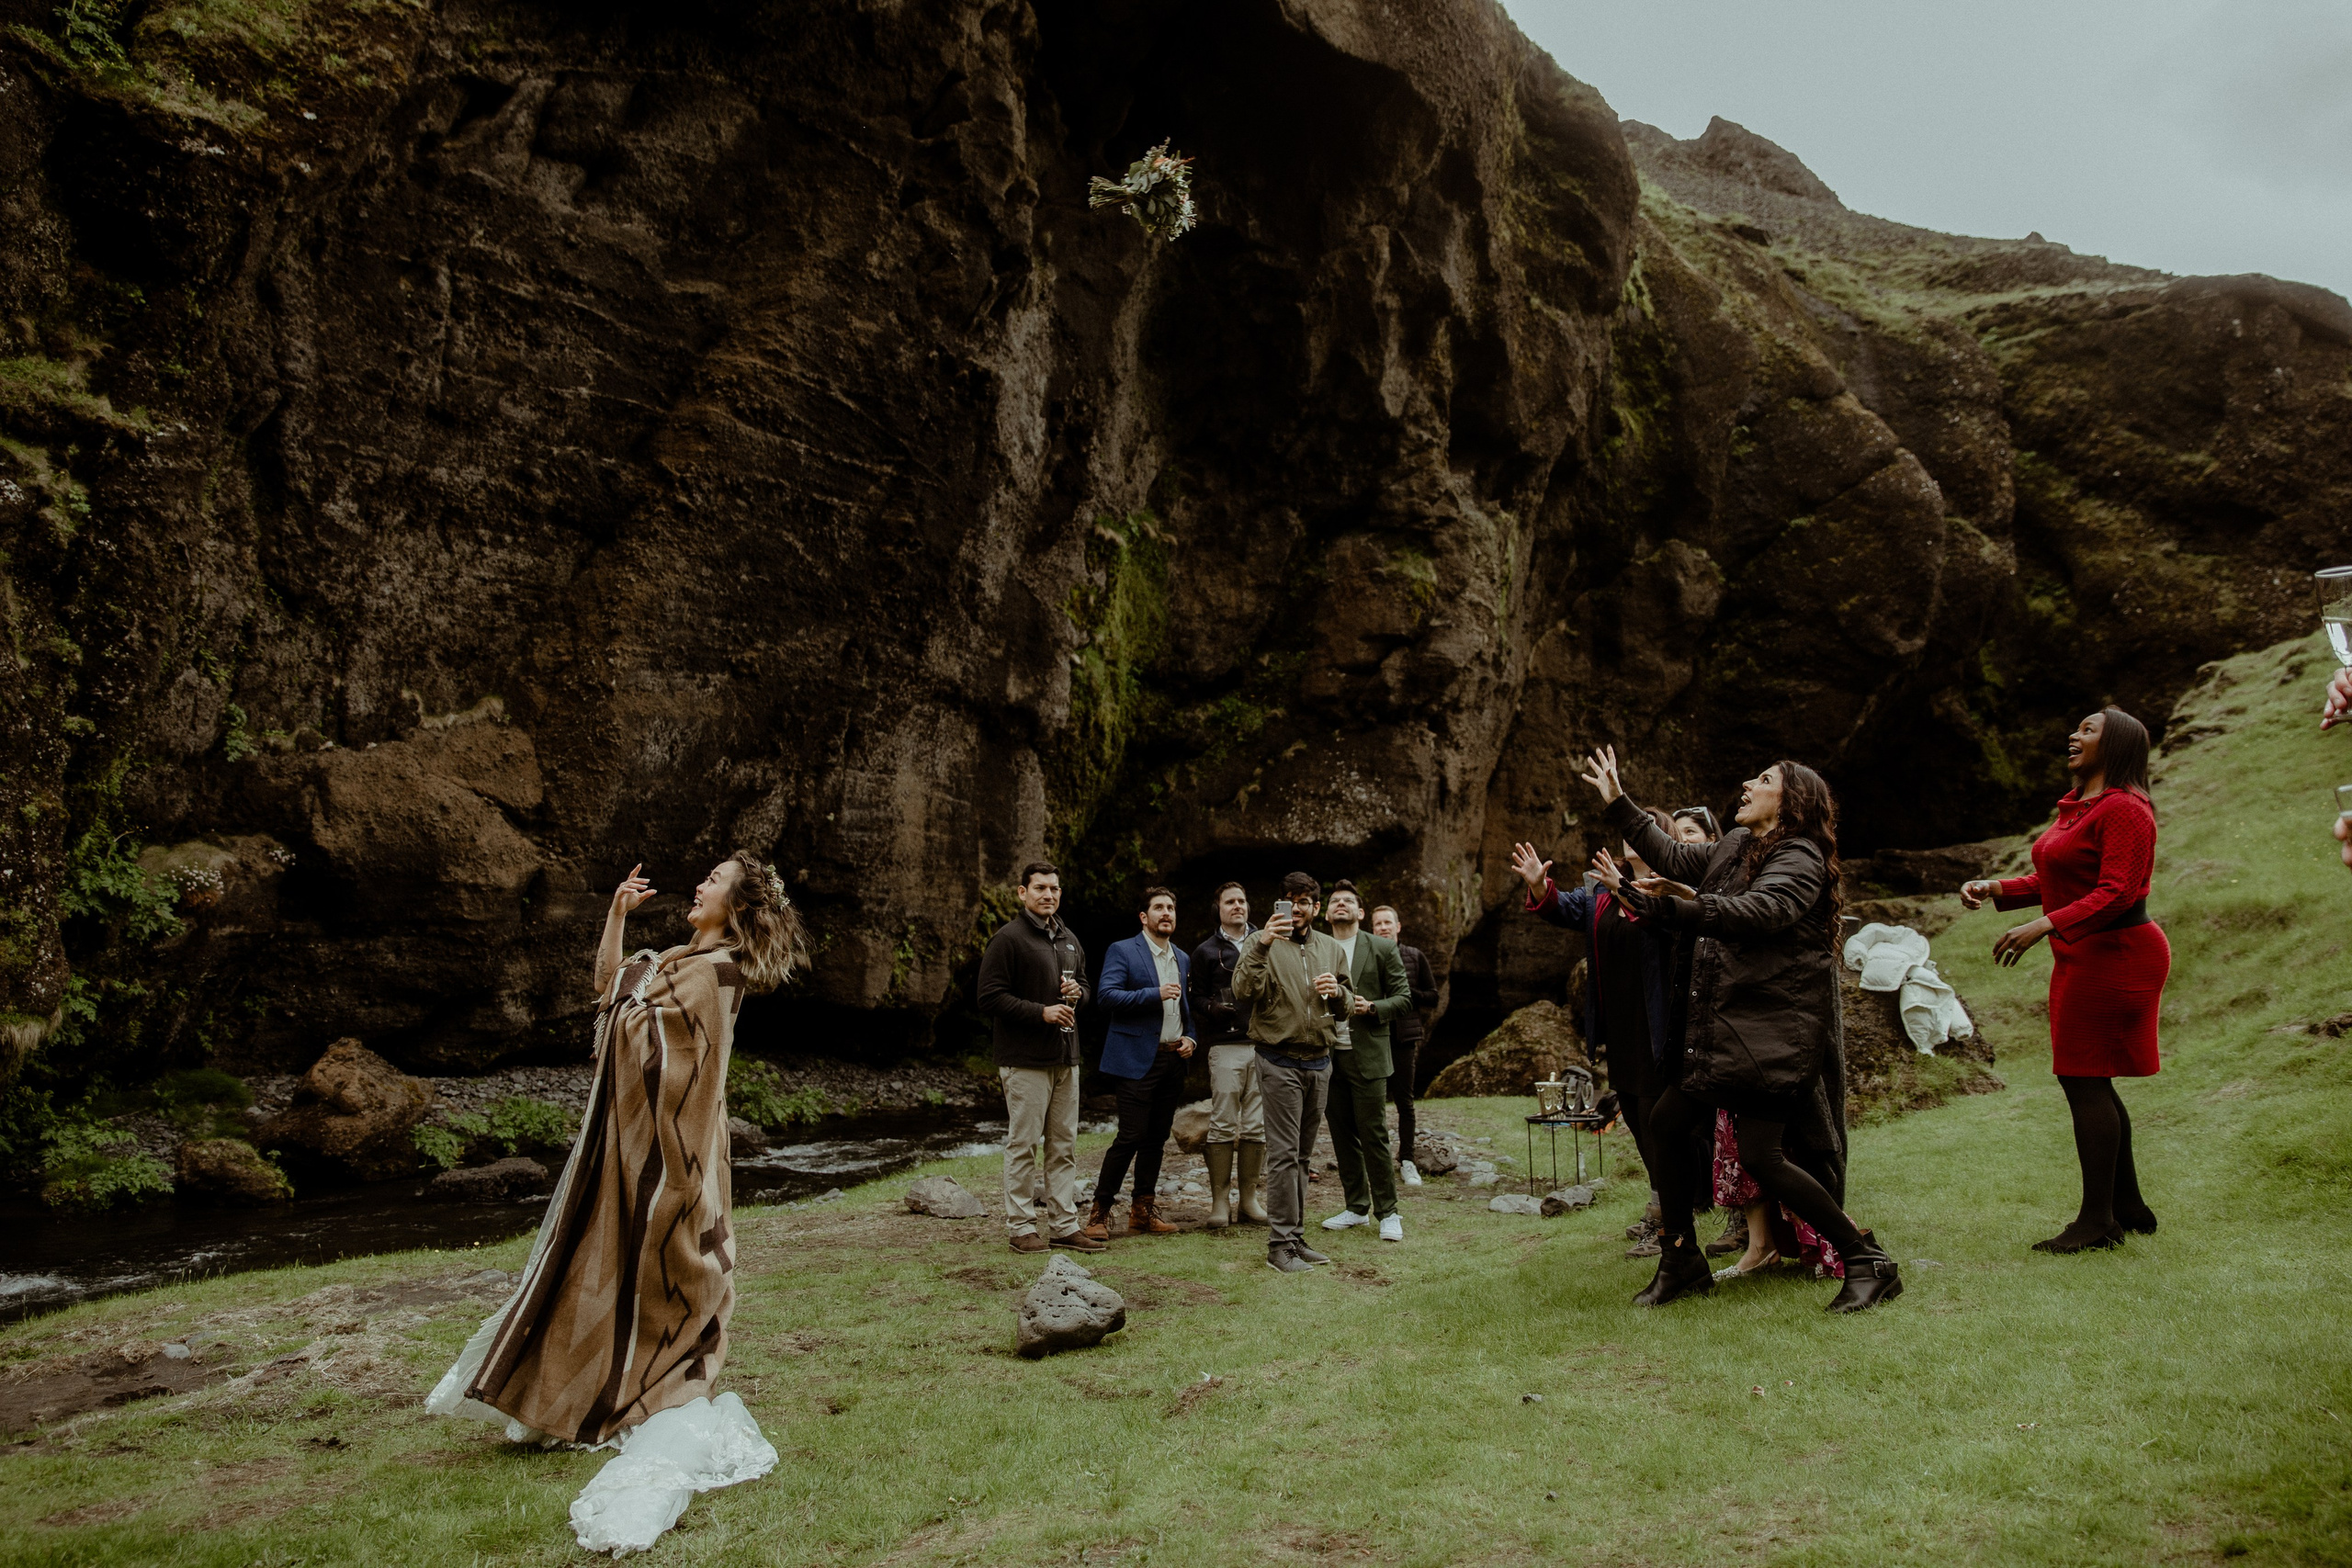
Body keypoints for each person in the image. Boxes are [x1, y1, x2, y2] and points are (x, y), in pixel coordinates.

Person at [431, 851, 808, 1472]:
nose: (700, 884)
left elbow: (669, 1052)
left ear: (736, 905)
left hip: (674, 1152)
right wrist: (616, 916)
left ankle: (627, 1388)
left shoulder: (717, 972)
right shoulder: (680, 959)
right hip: (633, 1145)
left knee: (658, 1274)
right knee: (605, 1265)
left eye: (713, 880)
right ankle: (581, 1390)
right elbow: (609, 990)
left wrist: (632, 998)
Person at [1584, 746, 1904, 1313]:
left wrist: (1672, 908)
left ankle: (1866, 1259)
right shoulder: (1736, 844)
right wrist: (1618, 801)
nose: (1748, 784)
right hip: (1724, 1032)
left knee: (1761, 1156)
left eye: (1764, 779)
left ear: (1791, 801)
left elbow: (1760, 912)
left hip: (1769, 1034)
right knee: (1666, 1123)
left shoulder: (1800, 856)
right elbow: (1672, 854)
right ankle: (1681, 1260)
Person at [1962, 706, 2167, 1252]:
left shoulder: (2126, 808)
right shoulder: (2081, 807)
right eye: (2075, 727)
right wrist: (1996, 888)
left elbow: (2118, 890)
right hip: (2086, 954)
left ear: (2115, 745)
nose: (2073, 735)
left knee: (2083, 1076)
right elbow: (2059, 876)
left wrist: (2045, 924)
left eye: (2088, 730)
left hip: (2119, 953)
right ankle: (2127, 1206)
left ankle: (2098, 1222)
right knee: (2088, 1077)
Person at [1510, 811, 1713, 1261]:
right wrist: (1540, 887)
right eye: (1629, 832)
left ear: (1661, 839)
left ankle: (1673, 1218)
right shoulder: (1601, 890)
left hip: (1663, 1027)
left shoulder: (1672, 888)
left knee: (1663, 1125)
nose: (1632, 839)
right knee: (1638, 1122)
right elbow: (1566, 909)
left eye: (1644, 830)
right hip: (1621, 1028)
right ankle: (1662, 1205)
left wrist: (1625, 889)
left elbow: (1661, 924)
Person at [1231, 871, 1353, 1274]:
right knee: (1284, 1155)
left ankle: (1295, 1237)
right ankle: (1279, 1245)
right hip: (1278, 1059)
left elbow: (1347, 1006)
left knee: (1302, 1156)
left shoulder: (1331, 948)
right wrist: (1263, 944)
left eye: (1303, 901)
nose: (1296, 908)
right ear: (1278, 905)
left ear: (1316, 908)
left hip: (1319, 1061)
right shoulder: (1260, 942)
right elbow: (1243, 991)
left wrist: (1338, 992)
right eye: (1289, 900)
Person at [975, 862, 1098, 1254]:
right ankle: (1021, 1227)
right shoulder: (1007, 939)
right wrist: (1040, 1012)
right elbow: (989, 997)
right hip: (1025, 1059)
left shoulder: (1068, 938)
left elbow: (1085, 987)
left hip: (1066, 1057)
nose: (1048, 894)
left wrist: (1079, 994)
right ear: (1022, 892)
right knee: (1024, 1144)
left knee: (1064, 1146)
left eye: (1054, 888)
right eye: (1040, 888)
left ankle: (1064, 1225)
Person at [1085, 886, 1197, 1239]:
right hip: (1135, 1059)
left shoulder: (1182, 957)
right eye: (1159, 908)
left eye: (1171, 908)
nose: (1166, 913)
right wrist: (1154, 993)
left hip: (1173, 1058)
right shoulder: (1123, 950)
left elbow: (1186, 1009)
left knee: (1156, 1138)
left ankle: (1142, 1212)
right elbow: (1106, 996)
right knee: (1130, 1136)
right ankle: (1099, 1213)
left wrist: (1191, 1038)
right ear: (1144, 917)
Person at [1317, 881, 1414, 1242]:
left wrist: (1372, 1007)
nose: (1340, 904)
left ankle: (1388, 1212)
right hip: (1327, 1055)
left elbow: (1404, 998)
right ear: (1326, 914)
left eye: (1348, 901)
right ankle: (1356, 1207)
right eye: (1334, 901)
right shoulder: (1316, 947)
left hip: (1369, 1054)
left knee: (1374, 1135)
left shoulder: (1382, 947)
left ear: (1360, 912)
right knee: (1341, 1135)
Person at [1191, 882, 1268, 1227]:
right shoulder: (1205, 951)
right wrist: (1211, 1007)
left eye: (1242, 900)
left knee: (1256, 1123)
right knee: (1222, 1121)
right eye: (1230, 902)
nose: (1238, 906)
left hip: (1264, 1043)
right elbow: (1195, 998)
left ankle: (1249, 1201)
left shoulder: (1266, 941)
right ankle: (1220, 1203)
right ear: (1218, 909)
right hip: (1224, 1045)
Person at [1367, 905, 1440, 1185]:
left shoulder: (1414, 956)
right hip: (1373, 1036)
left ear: (1398, 927)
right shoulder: (1366, 955)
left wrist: (1407, 994)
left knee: (1404, 1102)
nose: (1383, 927)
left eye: (1388, 923)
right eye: (1378, 924)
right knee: (1371, 1101)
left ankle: (1407, 1159)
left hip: (1404, 1038)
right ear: (1372, 929)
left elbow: (1433, 996)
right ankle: (1374, 1159)